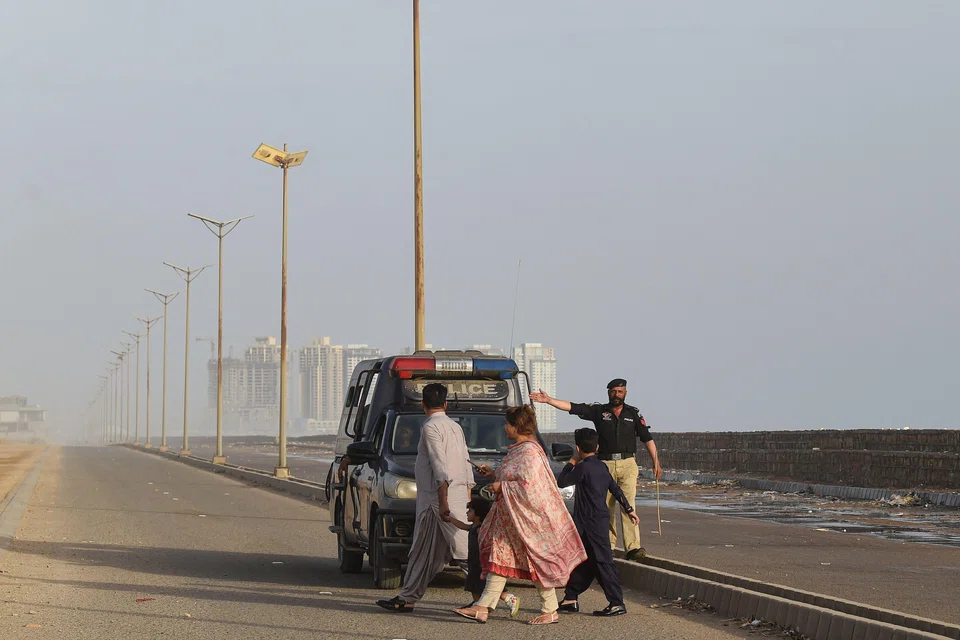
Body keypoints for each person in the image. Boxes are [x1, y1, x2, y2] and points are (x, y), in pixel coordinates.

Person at [452, 406, 586, 625]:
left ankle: (548, 609)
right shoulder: (519, 449)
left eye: (507, 424)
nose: (504, 428)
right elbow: (515, 476)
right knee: (500, 559)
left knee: (535, 562)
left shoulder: (530, 453)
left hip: (527, 519)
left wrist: (499, 486)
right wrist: (494, 474)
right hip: (512, 520)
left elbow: (529, 488)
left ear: (517, 427)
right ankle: (483, 607)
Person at [531, 379, 662, 561]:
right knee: (605, 506)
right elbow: (573, 407)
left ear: (626, 393)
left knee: (627, 503)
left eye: (620, 391)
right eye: (614, 391)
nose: (617, 394)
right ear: (608, 392)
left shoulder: (633, 413)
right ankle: (607, 545)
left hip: (627, 464)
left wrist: (656, 461)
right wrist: (549, 400)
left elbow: (647, 437)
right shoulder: (599, 411)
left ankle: (633, 548)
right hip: (605, 464)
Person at [376, 383, 474, 612]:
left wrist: (443, 502)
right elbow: (465, 462)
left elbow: (440, 467)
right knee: (423, 550)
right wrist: (466, 495)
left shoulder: (430, 428)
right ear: (445, 404)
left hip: (438, 501)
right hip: (452, 497)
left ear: (423, 404)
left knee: (463, 552)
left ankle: (496, 595)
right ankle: (408, 597)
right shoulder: (454, 427)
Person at [557, 428, 640, 617]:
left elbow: (562, 481)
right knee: (584, 561)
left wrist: (571, 462)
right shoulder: (602, 467)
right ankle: (571, 598)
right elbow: (616, 489)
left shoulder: (582, 468)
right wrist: (629, 510)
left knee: (603, 562)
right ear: (597, 447)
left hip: (590, 523)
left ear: (578, 448)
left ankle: (617, 602)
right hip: (597, 521)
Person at [442, 497, 521, 617]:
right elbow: (463, 526)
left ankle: (508, 598)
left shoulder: (481, 529)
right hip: (473, 561)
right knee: (473, 584)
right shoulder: (473, 527)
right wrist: (450, 519)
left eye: (470, 511)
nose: (467, 513)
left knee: (485, 585)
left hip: (481, 562)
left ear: (478, 514)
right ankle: (477, 604)